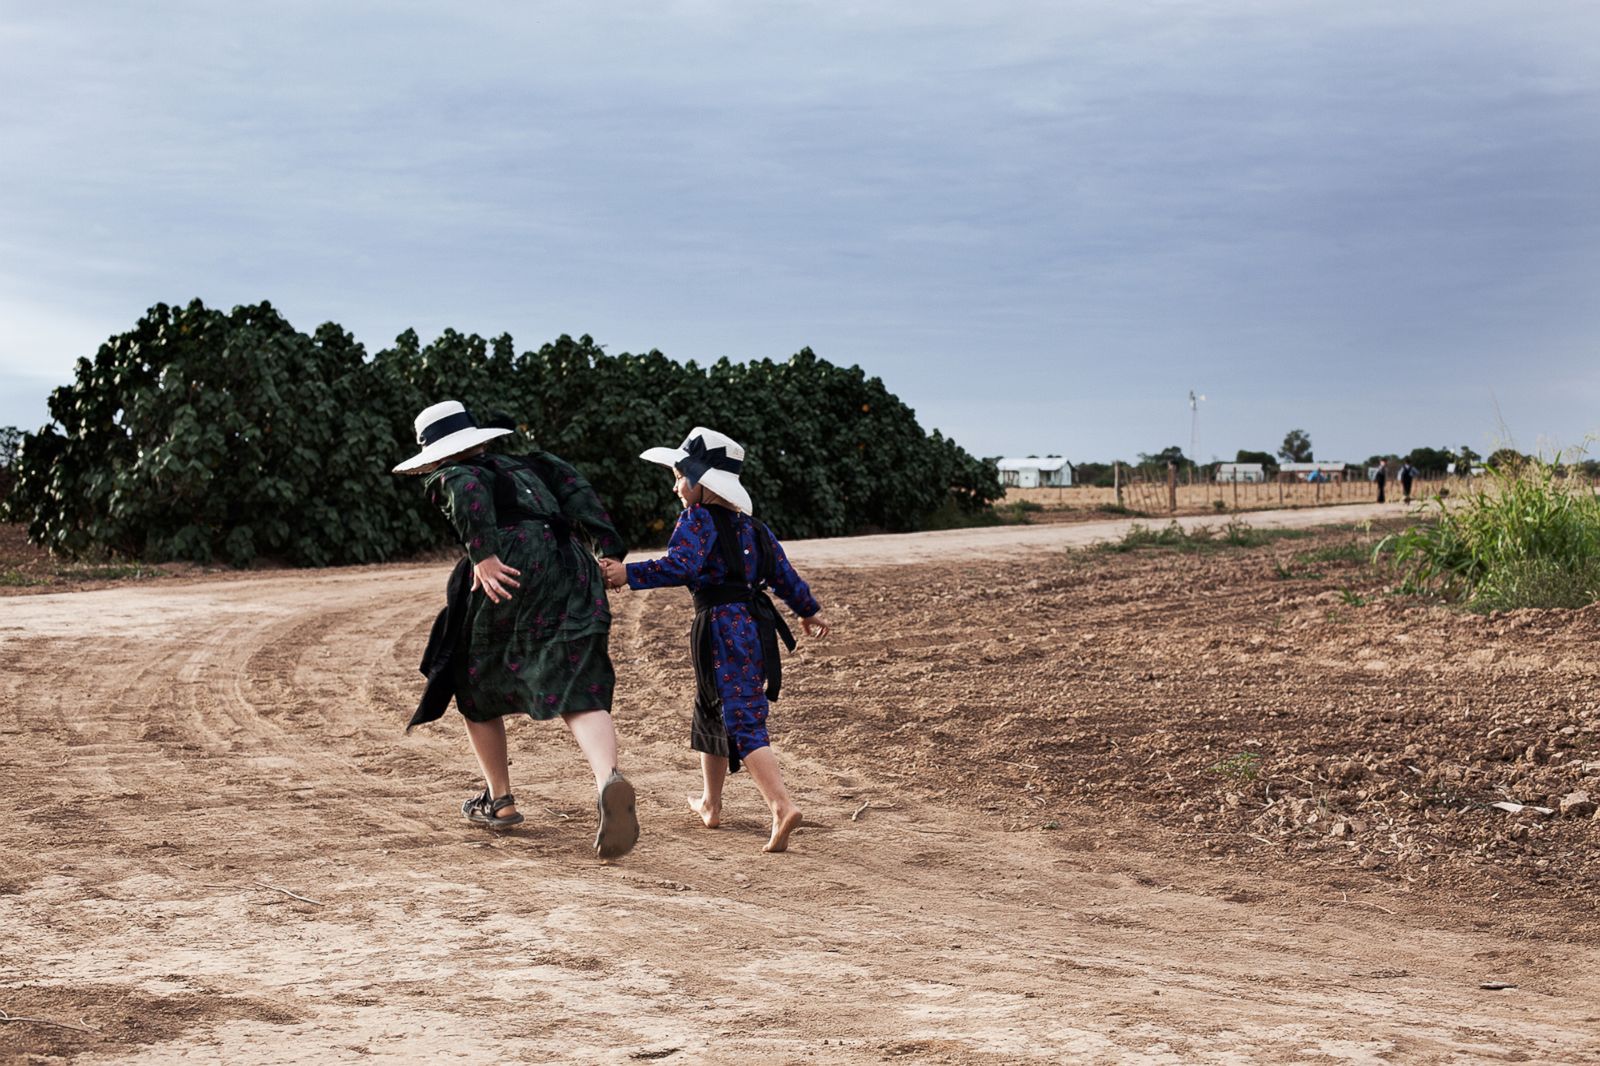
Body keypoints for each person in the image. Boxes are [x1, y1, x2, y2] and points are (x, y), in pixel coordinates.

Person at [394, 400, 639, 860]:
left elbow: (463, 487)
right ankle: (609, 778)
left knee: (473, 679)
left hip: (511, 567)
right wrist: (610, 548)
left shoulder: (455, 472)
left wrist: (482, 553)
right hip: (572, 564)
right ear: (481, 438)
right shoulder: (536, 465)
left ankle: (500, 800)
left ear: (439, 453)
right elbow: (580, 492)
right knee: (578, 681)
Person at [600, 427, 830, 853]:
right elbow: (784, 576)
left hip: (720, 628)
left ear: (702, 482)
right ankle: (711, 803)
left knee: (740, 714)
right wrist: (808, 610)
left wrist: (626, 575)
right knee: (711, 706)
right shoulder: (755, 529)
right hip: (754, 627)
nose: (674, 485)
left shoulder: (696, 519)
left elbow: (681, 565)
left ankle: (781, 805)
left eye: (678, 475)